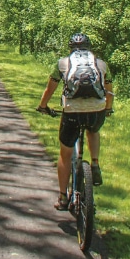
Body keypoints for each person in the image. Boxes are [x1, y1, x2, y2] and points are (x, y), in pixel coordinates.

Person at [36, 32, 114, 211]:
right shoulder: (101, 64)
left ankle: (63, 197)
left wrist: (43, 106)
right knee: (93, 131)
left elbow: (50, 88)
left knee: (65, 153)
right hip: (96, 110)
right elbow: (109, 89)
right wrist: (108, 108)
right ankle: (94, 163)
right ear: (89, 47)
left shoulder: (62, 63)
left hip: (71, 111)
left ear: (71, 48)